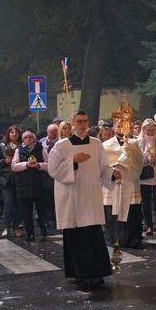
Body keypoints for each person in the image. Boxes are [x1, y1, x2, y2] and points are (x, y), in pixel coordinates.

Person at [48, 109, 122, 287]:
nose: (82, 124)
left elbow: (103, 167)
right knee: (76, 237)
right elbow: (53, 170)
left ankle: (97, 272)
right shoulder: (62, 146)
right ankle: (80, 273)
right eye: (79, 121)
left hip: (90, 195)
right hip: (71, 197)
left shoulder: (96, 144)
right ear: (72, 123)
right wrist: (73, 160)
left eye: (85, 121)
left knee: (93, 236)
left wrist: (113, 173)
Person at [102, 121, 144, 248]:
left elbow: (139, 162)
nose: (121, 129)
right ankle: (114, 239)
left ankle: (133, 240)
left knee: (132, 212)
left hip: (130, 180)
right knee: (111, 213)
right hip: (113, 182)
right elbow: (103, 164)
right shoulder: (106, 145)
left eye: (124, 126)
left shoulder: (135, 143)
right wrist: (113, 169)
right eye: (119, 126)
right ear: (114, 128)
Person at [11, 128, 49, 241]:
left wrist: (39, 165)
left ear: (34, 138)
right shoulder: (19, 150)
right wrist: (26, 165)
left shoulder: (41, 149)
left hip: (39, 184)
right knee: (26, 211)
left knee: (41, 209)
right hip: (24, 185)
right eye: (25, 137)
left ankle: (43, 229)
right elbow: (14, 166)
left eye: (30, 137)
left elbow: (49, 164)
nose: (28, 139)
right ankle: (30, 233)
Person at [0, 125, 24, 238]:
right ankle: (6, 227)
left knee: (19, 203)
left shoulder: (22, 146)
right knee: (8, 203)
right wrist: (4, 161)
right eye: (12, 132)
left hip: (19, 178)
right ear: (8, 134)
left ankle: (16, 227)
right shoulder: (2, 146)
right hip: (7, 178)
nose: (14, 134)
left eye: (16, 132)